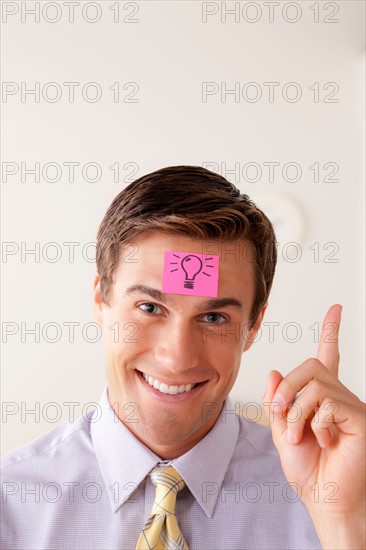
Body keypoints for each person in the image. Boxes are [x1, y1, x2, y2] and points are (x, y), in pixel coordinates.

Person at [1, 165, 365, 549]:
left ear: (254, 325)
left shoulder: (333, 493)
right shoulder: (11, 505)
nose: (177, 358)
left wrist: (343, 525)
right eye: (150, 307)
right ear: (101, 300)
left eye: (212, 318)